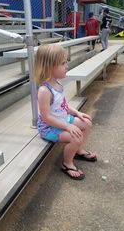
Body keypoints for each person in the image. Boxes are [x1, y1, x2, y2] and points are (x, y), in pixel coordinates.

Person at [34, 44, 97, 180]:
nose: (67, 66)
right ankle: (67, 163)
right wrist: (68, 126)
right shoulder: (44, 90)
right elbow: (45, 117)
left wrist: (77, 113)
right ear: (49, 67)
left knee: (86, 123)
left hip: (62, 119)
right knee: (76, 136)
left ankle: (78, 151)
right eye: (63, 63)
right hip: (49, 127)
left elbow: (63, 105)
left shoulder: (57, 83)